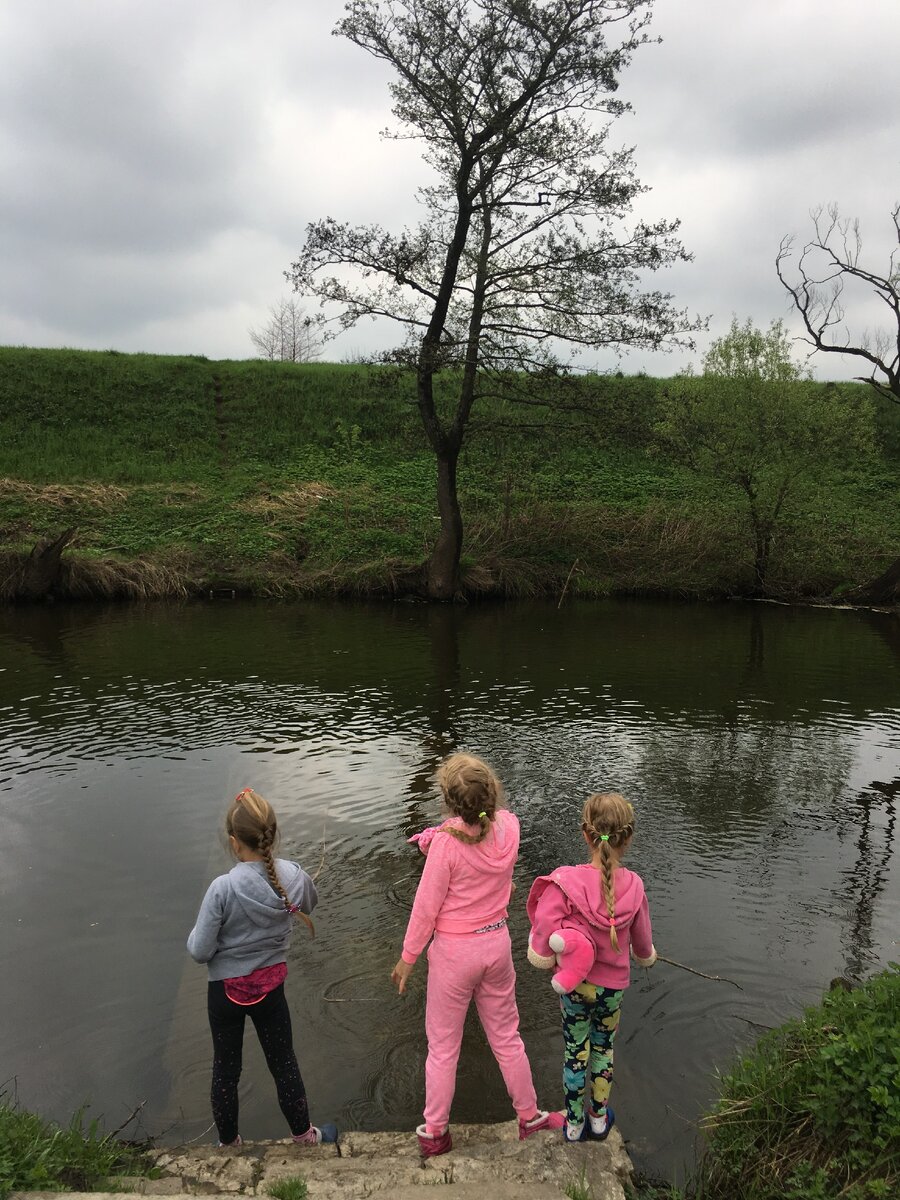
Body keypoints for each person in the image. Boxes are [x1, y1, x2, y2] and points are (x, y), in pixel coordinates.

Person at [391, 753, 564, 1157]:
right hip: (497, 945)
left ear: (449, 804)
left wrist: (408, 957)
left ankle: (435, 1132)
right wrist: (441, 836)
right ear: (493, 795)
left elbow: (426, 907)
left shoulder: (446, 848)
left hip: (455, 955)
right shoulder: (510, 829)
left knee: (443, 1047)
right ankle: (530, 1116)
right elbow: (481, 839)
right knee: (507, 1037)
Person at [187, 787, 337, 1148]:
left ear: (234, 842)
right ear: (273, 834)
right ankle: (304, 1136)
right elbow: (309, 905)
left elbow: (199, 951)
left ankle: (228, 1144)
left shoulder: (221, 889)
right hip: (271, 989)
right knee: (284, 1062)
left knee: (226, 1069)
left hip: (225, 992)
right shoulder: (295, 877)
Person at [526, 792, 657, 1143]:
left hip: (576, 986)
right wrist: (646, 956)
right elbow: (643, 940)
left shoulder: (567, 882)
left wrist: (542, 953)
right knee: (603, 1049)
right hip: (613, 990)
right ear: (628, 838)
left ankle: (572, 1123)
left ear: (586, 833)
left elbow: (544, 920)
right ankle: (598, 1120)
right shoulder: (635, 886)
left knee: (575, 1051)